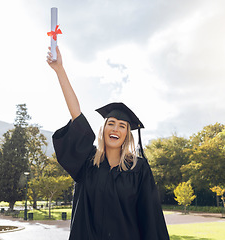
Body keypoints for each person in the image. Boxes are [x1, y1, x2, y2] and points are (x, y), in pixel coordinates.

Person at [47, 46, 169, 240]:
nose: (115, 129)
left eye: (122, 126)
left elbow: (151, 217)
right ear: (103, 130)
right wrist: (60, 70)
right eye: (111, 123)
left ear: (127, 134)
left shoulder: (139, 169)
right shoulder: (87, 163)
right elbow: (76, 115)